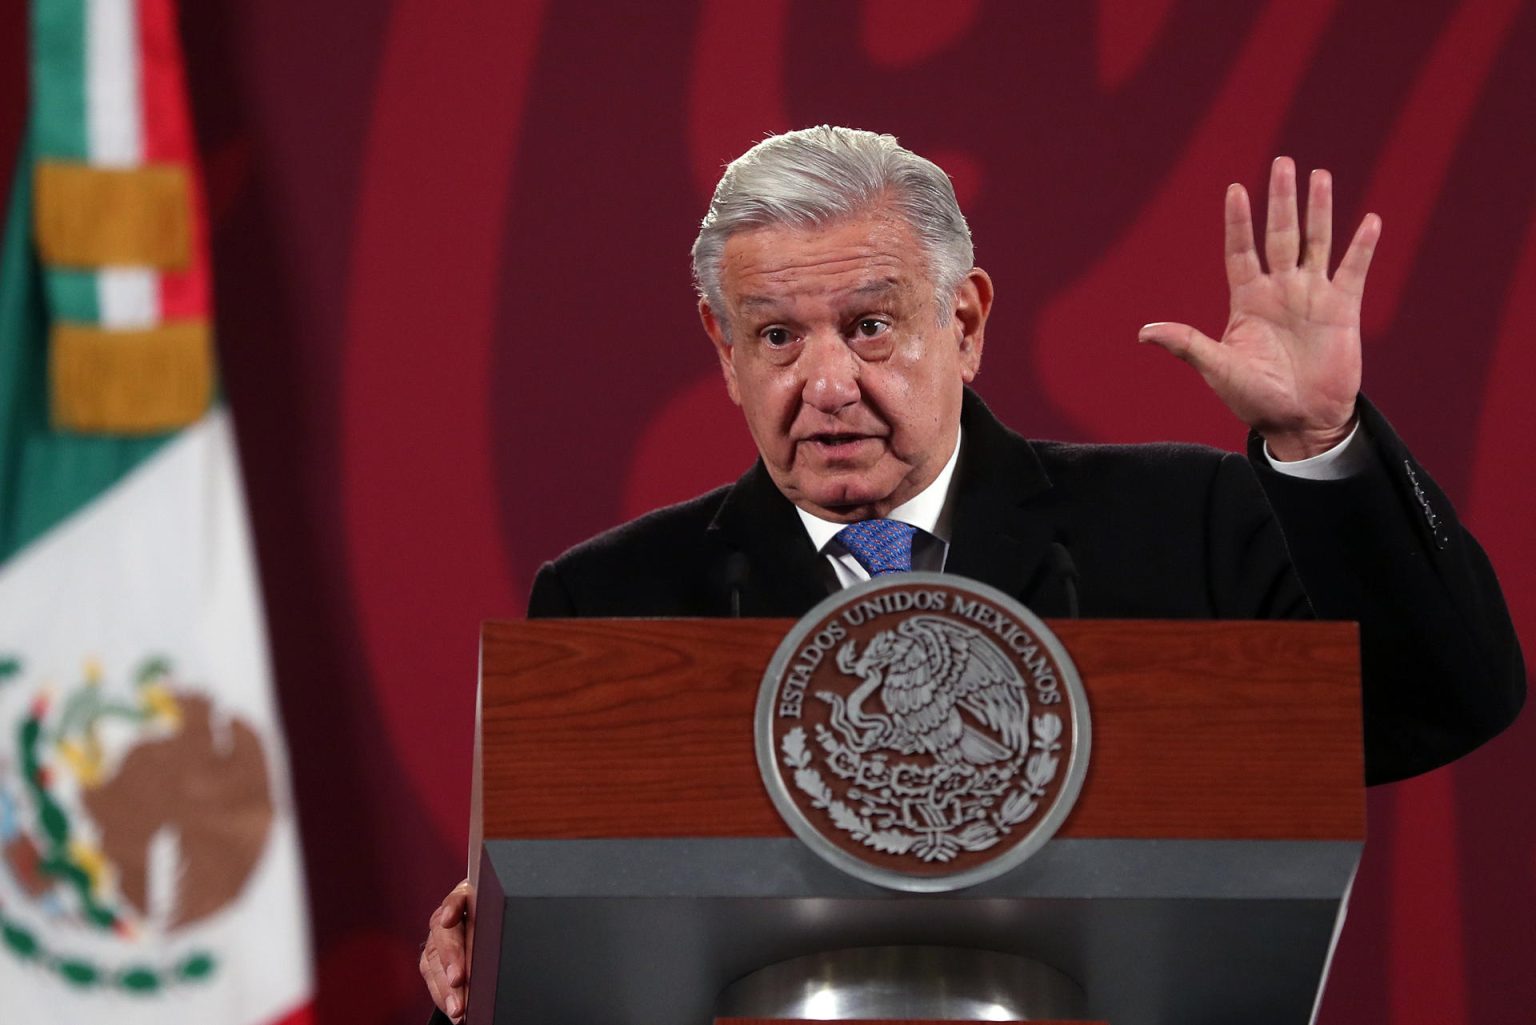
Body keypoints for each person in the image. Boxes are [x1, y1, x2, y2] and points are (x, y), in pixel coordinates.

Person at [419, 126, 1525, 1024]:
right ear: (723, 348)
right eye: (777, 338)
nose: (829, 383)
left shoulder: (1184, 523)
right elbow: (556, 962)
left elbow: (1444, 701)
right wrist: (486, 961)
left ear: (966, 319)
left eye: (869, 325)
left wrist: (1322, 443)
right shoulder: (613, 603)